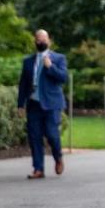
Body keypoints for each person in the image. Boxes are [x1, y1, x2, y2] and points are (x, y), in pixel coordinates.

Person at [17, 30, 66, 179]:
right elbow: (23, 84)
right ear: (35, 42)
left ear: (49, 41)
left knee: (52, 134)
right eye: (38, 39)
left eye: (43, 39)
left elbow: (63, 78)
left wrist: (50, 67)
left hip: (51, 104)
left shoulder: (58, 58)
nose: (41, 42)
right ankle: (38, 169)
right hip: (34, 104)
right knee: (34, 137)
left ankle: (58, 157)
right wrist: (20, 104)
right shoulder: (28, 61)